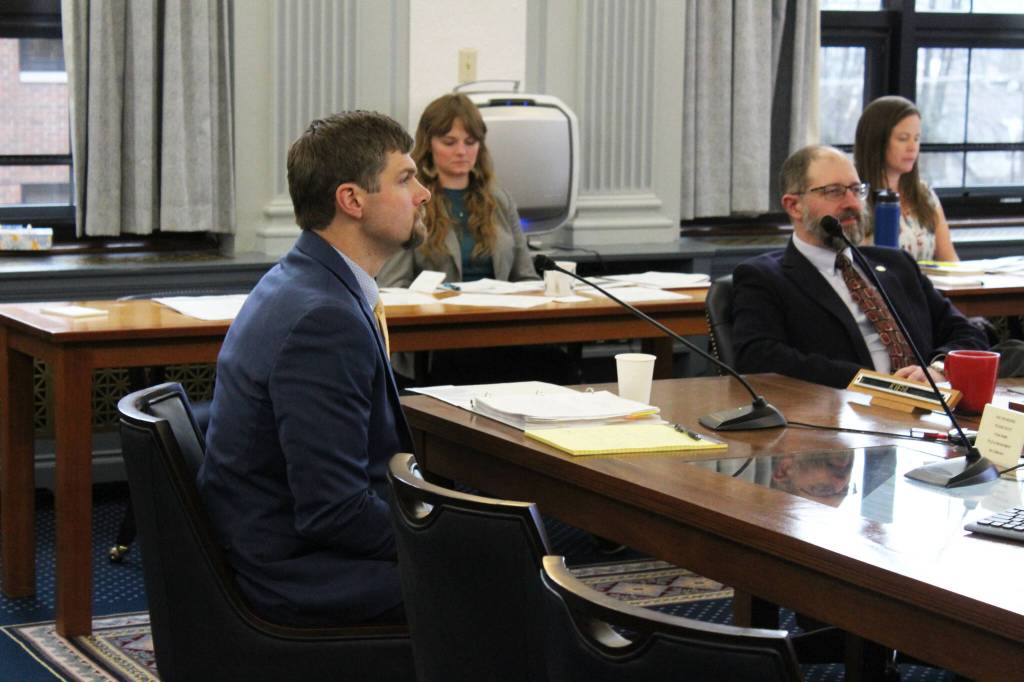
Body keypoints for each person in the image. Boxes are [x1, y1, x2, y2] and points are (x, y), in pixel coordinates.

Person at [197, 111, 430, 627]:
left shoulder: (301, 279)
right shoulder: (324, 319)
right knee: (502, 578)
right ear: (352, 200)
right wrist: (445, 534)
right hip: (294, 572)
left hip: (281, 542)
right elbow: (334, 512)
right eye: (405, 178)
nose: (424, 194)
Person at [732, 144, 986, 389]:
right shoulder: (764, 278)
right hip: (844, 413)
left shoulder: (896, 264)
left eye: (857, 189)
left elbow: (966, 332)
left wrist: (938, 369)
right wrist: (872, 382)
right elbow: (758, 358)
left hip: (931, 411)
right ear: (794, 206)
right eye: (834, 191)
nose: (852, 202)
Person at [377, 93, 576, 385]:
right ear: (428, 144)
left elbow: (525, 277)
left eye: (470, 143)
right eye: (449, 142)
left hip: (501, 332)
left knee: (559, 365)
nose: (461, 151)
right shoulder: (413, 201)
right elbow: (392, 287)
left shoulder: (499, 199)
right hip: (440, 340)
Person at [854, 95, 958, 262]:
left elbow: (950, 261)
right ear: (877, 141)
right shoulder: (856, 197)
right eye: (903, 138)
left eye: (916, 138)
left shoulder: (925, 194)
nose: (912, 147)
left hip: (927, 287)